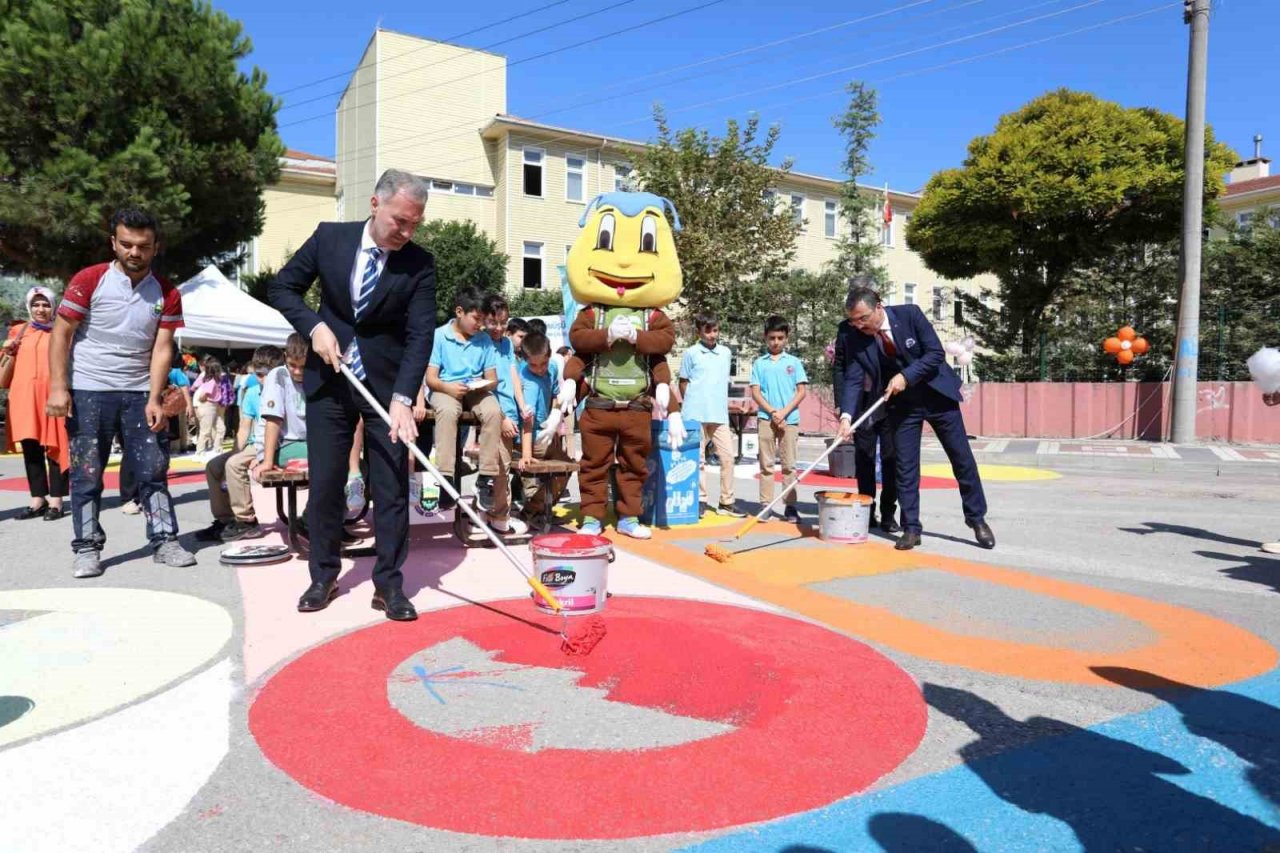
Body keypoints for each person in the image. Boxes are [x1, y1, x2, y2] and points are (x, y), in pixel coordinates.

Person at [269, 169, 436, 620]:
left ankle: (390, 584)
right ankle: (323, 575)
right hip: (330, 378)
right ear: (375, 204)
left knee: (391, 486)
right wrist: (314, 326)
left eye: (415, 223)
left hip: (386, 388)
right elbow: (282, 287)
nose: (407, 232)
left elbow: (421, 334)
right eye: (401, 220)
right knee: (325, 484)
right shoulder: (329, 240)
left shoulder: (420, 263)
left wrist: (405, 396)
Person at [46, 207, 197, 577]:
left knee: (153, 470)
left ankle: (164, 540)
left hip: (138, 393)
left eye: (142, 246)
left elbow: (163, 348)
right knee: (86, 474)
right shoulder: (89, 279)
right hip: (89, 391)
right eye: (126, 244)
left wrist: (154, 397)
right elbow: (61, 333)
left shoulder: (166, 292)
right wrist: (58, 386)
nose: (134, 252)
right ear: (113, 243)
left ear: (155, 247)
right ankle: (86, 547)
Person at [837, 285, 993, 551]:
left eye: (863, 318)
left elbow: (934, 354)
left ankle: (976, 518)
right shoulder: (856, 336)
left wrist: (905, 376)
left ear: (879, 307)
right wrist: (847, 415)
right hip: (903, 406)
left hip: (938, 398)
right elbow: (852, 378)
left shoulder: (910, 315)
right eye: (853, 320)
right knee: (905, 467)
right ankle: (911, 528)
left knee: (962, 459)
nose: (859, 325)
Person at [425, 286, 526, 534]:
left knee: (492, 411)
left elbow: (492, 378)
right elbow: (431, 378)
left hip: (477, 390)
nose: (480, 325)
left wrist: (483, 384)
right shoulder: (439, 336)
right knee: (448, 413)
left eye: (483, 320)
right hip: (446, 388)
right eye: (477, 319)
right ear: (460, 312)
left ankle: (486, 477)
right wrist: (448, 388)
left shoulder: (483, 341)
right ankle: (446, 477)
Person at [196, 344, 284, 543]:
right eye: (258, 374)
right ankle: (225, 519)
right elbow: (244, 427)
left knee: (234, 465)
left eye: (266, 375)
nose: (262, 379)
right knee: (214, 466)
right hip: (255, 443)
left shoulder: (283, 390)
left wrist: (253, 457)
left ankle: (246, 520)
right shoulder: (252, 393)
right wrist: (235, 451)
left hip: (274, 444)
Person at [3, 287, 69, 521]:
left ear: (53, 306)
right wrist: (9, 351)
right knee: (30, 448)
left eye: (45, 304)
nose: (40, 309)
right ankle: (37, 499)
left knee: (56, 446)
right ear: (30, 307)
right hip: (24, 397)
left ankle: (57, 501)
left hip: (52, 396)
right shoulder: (18, 331)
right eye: (36, 305)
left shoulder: (62, 331)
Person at [833, 298, 899, 533]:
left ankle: (889, 512)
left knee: (892, 458)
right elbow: (841, 367)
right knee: (864, 458)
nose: (859, 323)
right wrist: (843, 408)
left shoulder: (890, 326)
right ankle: (867, 509)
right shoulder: (846, 329)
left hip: (890, 399)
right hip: (860, 401)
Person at [679, 311, 744, 518]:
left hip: (719, 414)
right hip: (695, 414)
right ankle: (700, 500)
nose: (712, 335)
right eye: (708, 331)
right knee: (698, 460)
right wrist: (691, 404)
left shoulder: (725, 353)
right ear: (699, 331)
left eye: (715, 330)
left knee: (727, 457)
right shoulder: (691, 353)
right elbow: (683, 382)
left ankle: (726, 502)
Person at [750, 315, 807, 522]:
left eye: (780, 338)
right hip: (766, 419)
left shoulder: (794, 362)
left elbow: (801, 391)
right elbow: (756, 392)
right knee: (766, 464)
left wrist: (784, 412)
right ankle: (766, 504)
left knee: (789, 465)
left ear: (786, 338)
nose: (776, 342)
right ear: (766, 338)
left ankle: (790, 506)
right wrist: (773, 412)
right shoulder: (759, 363)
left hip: (789, 420)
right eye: (772, 338)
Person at [514, 331, 571, 519]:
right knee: (566, 466)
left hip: (545, 432)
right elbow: (526, 421)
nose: (539, 369)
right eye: (533, 365)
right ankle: (534, 509)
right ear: (524, 359)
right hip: (527, 437)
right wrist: (527, 454)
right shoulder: (527, 382)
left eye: (543, 363)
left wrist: (554, 421)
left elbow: (555, 394)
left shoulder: (553, 367)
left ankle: (536, 509)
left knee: (567, 467)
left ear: (549, 355)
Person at [250, 335, 310, 478]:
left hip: (310, 442)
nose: (297, 371)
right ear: (285, 357)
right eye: (292, 365)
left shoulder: (315, 375)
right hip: (286, 445)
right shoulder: (278, 375)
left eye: (303, 366)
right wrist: (266, 461)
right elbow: (273, 420)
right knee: (335, 460)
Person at [192, 356, 229, 454]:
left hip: (213, 405)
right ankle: (200, 451)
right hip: (208, 405)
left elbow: (195, 388)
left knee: (220, 428)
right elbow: (203, 395)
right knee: (206, 429)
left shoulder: (212, 380)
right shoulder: (212, 381)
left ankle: (217, 448)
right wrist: (205, 400)